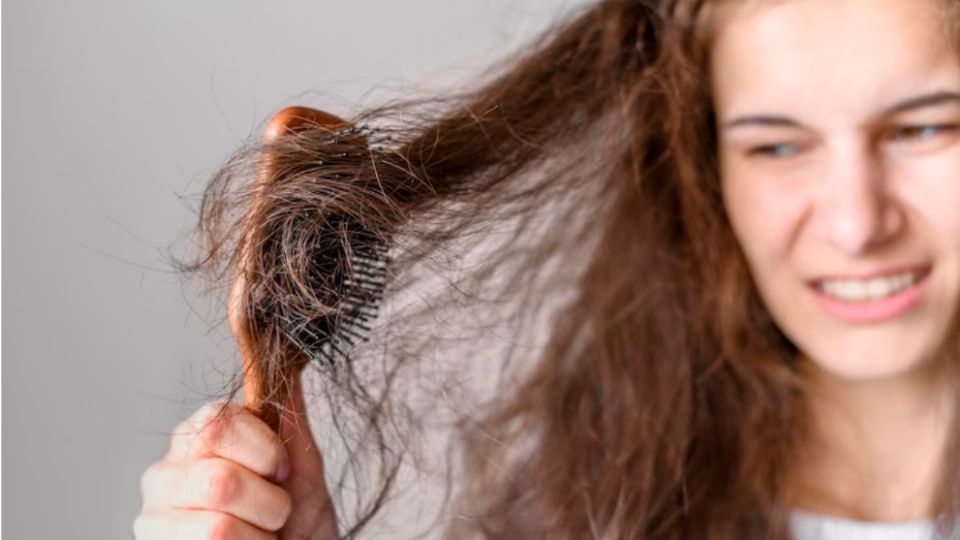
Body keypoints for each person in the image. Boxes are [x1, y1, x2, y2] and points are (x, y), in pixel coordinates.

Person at [134, 0, 960, 538]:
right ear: (708, 174)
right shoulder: (586, 508)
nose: (858, 224)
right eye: (777, 145)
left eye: (924, 129)